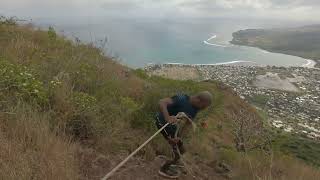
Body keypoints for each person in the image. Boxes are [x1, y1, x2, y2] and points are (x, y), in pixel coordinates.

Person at [155, 91, 213, 178]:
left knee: (181, 149)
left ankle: (171, 163)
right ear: (198, 100)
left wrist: (179, 137)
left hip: (172, 127)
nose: (203, 109)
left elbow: (187, 124)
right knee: (178, 150)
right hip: (162, 122)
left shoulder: (195, 109)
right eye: (204, 106)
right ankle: (164, 169)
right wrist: (167, 118)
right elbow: (162, 102)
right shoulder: (181, 99)